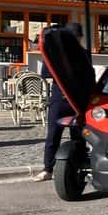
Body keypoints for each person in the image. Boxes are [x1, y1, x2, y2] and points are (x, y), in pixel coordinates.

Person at [33, 22, 87, 182]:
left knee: (78, 136)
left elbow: (87, 77)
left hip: (78, 99)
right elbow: (46, 73)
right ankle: (48, 168)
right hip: (59, 98)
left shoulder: (84, 54)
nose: (74, 41)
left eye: (76, 38)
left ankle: (79, 166)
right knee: (53, 135)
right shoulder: (53, 55)